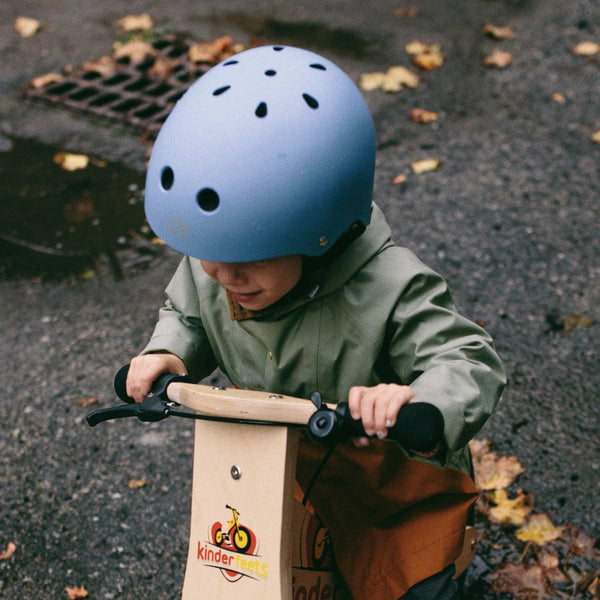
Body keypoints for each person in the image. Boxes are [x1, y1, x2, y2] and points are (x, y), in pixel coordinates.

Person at [126, 45, 506, 599]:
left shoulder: (391, 284)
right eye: (208, 254)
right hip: (283, 475)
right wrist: (171, 351)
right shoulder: (218, 261)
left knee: (413, 583)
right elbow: (188, 311)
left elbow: (467, 358)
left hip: (388, 489)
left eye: (249, 257)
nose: (221, 273)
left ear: (322, 230)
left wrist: (417, 402)